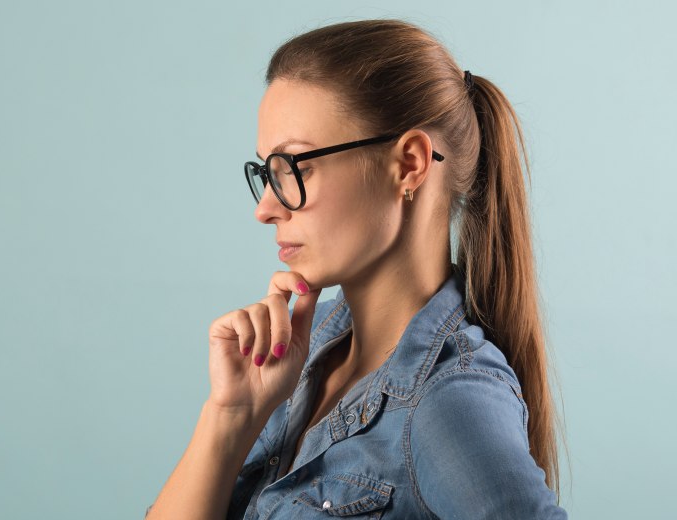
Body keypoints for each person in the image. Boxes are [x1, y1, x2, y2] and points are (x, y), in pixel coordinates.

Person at [145, 19, 568, 519]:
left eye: (294, 168)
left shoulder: (452, 400)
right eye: (267, 172)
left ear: (409, 164)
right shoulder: (300, 347)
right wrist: (229, 417)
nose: (266, 208)